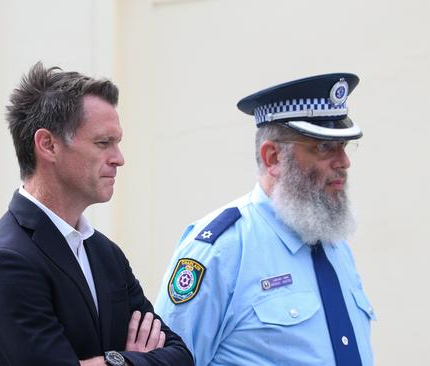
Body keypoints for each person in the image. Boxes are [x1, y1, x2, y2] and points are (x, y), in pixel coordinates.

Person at [0, 62, 193, 366]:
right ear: (48, 145)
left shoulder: (105, 254)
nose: (119, 159)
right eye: (103, 143)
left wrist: (112, 361)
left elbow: (180, 357)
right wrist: (130, 358)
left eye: (117, 143)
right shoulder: (6, 261)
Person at [155, 73, 375, 365]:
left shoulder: (334, 244)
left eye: (343, 147)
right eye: (323, 147)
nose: (344, 162)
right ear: (273, 157)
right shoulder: (221, 249)